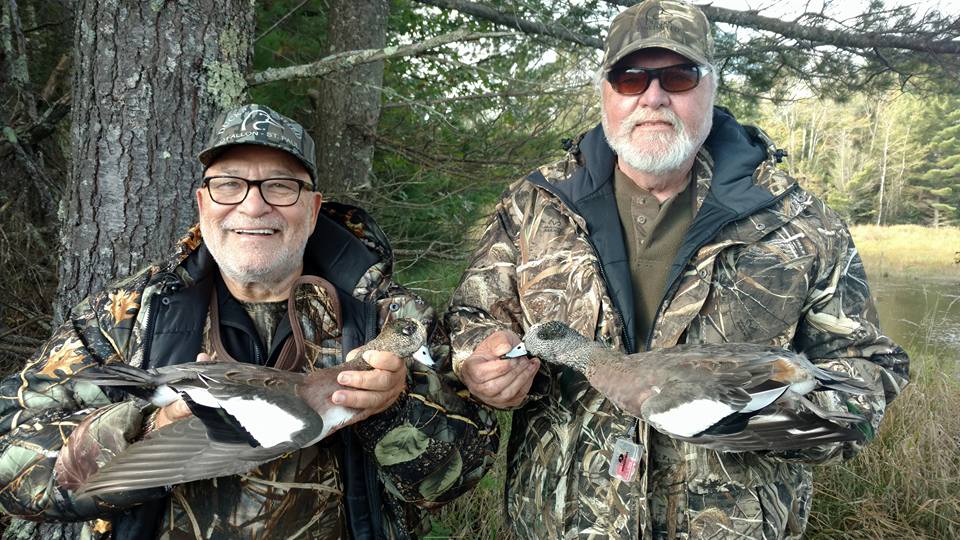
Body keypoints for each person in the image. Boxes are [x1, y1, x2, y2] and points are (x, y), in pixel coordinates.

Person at [445, 1, 910, 538]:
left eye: (678, 76)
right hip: (561, 526)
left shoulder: (801, 222)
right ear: (605, 91)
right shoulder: (536, 205)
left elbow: (869, 368)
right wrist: (478, 361)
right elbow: (469, 319)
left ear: (710, 86)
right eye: (630, 77)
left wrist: (777, 418)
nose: (653, 96)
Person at [0, 104, 499, 539]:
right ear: (203, 204)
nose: (253, 204)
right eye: (229, 185)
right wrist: (148, 429)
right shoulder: (120, 317)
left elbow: (459, 476)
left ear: (313, 206)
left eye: (280, 186)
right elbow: (9, 461)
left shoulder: (391, 319)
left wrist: (391, 410)